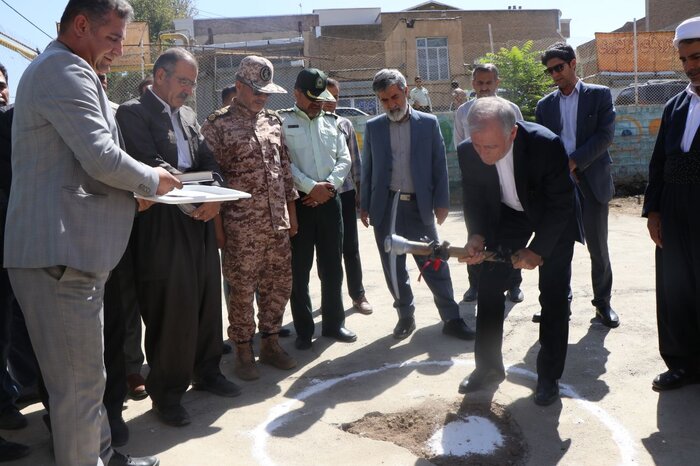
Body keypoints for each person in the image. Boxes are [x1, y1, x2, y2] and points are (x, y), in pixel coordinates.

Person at [4, 1, 181, 464]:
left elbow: (88, 163)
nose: (120, 50)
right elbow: (101, 157)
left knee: (87, 384)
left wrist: (136, 188)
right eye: (113, 38)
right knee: (78, 392)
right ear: (81, 25)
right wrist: (151, 181)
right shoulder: (64, 70)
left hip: (71, 256)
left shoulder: (68, 70)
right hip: (61, 258)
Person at [116, 47, 240, 428]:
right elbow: (151, 165)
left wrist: (214, 197)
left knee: (205, 297)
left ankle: (207, 371)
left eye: (192, 82)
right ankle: (167, 393)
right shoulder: (132, 113)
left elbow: (208, 162)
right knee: (172, 309)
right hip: (162, 223)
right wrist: (198, 190)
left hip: (199, 218)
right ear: (160, 76)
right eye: (183, 81)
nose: (189, 89)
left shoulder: (188, 115)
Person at [456, 96, 582, 406]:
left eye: (491, 148)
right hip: (509, 214)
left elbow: (561, 203)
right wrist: (477, 234)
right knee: (488, 286)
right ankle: (487, 369)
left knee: (553, 294)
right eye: (478, 146)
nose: (483, 154)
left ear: (512, 132)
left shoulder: (545, 144)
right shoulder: (467, 151)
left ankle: (548, 377)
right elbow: (474, 199)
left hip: (553, 216)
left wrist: (538, 250)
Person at [201, 55, 298, 381]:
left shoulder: (273, 121)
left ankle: (270, 342)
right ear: (240, 86)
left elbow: (284, 172)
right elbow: (210, 182)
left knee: (279, 286)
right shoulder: (217, 125)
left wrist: (291, 213)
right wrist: (218, 229)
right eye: (256, 90)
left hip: (277, 223)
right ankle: (243, 348)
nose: (262, 97)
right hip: (240, 228)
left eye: (266, 92)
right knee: (241, 290)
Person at [360, 69, 474, 341]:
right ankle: (405, 315)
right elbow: (368, 169)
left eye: (395, 97)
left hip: (418, 206)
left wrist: (442, 203)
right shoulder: (374, 127)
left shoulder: (428, 123)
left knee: (434, 261)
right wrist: (364, 205)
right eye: (384, 100)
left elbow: (439, 164)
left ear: (406, 91)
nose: (391, 104)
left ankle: (451, 317)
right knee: (393, 267)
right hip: (386, 208)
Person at [536, 42, 619, 328]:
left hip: (591, 182)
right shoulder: (544, 106)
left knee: (598, 248)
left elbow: (605, 136)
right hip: (559, 189)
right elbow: (541, 145)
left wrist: (573, 162)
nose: (555, 75)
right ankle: (559, 304)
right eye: (550, 71)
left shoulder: (599, 95)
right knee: (556, 249)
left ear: (573, 64)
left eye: (559, 68)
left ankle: (603, 304)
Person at [280, 68, 356, 350]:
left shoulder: (333, 122)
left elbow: (344, 158)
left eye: (320, 97)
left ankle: (334, 324)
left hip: (329, 202)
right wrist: (310, 187)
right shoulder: (282, 123)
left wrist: (329, 187)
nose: (317, 103)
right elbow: (284, 162)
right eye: (311, 97)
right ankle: (303, 330)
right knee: (299, 270)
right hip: (299, 204)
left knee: (333, 266)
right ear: (296, 94)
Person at [643, 16, 700, 391]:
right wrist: (654, 210)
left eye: (696, 57)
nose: (691, 66)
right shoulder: (677, 105)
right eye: (684, 60)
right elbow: (660, 161)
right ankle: (682, 363)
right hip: (676, 209)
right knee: (676, 288)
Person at [453, 63, 525, 305]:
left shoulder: (511, 109)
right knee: (476, 233)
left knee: (512, 237)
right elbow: (461, 147)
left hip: (508, 182)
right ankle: (475, 284)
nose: (484, 88)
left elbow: (520, 143)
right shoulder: (463, 112)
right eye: (480, 83)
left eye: (489, 83)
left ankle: (514, 285)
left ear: (497, 83)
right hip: (479, 184)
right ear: (473, 84)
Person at [322, 78, 373, 315]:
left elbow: (356, 162)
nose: (332, 102)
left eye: (336, 97)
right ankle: (329, 299)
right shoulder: (308, 125)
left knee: (350, 248)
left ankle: (358, 295)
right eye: (327, 96)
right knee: (325, 251)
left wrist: (361, 196)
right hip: (320, 197)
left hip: (345, 193)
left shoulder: (345, 125)